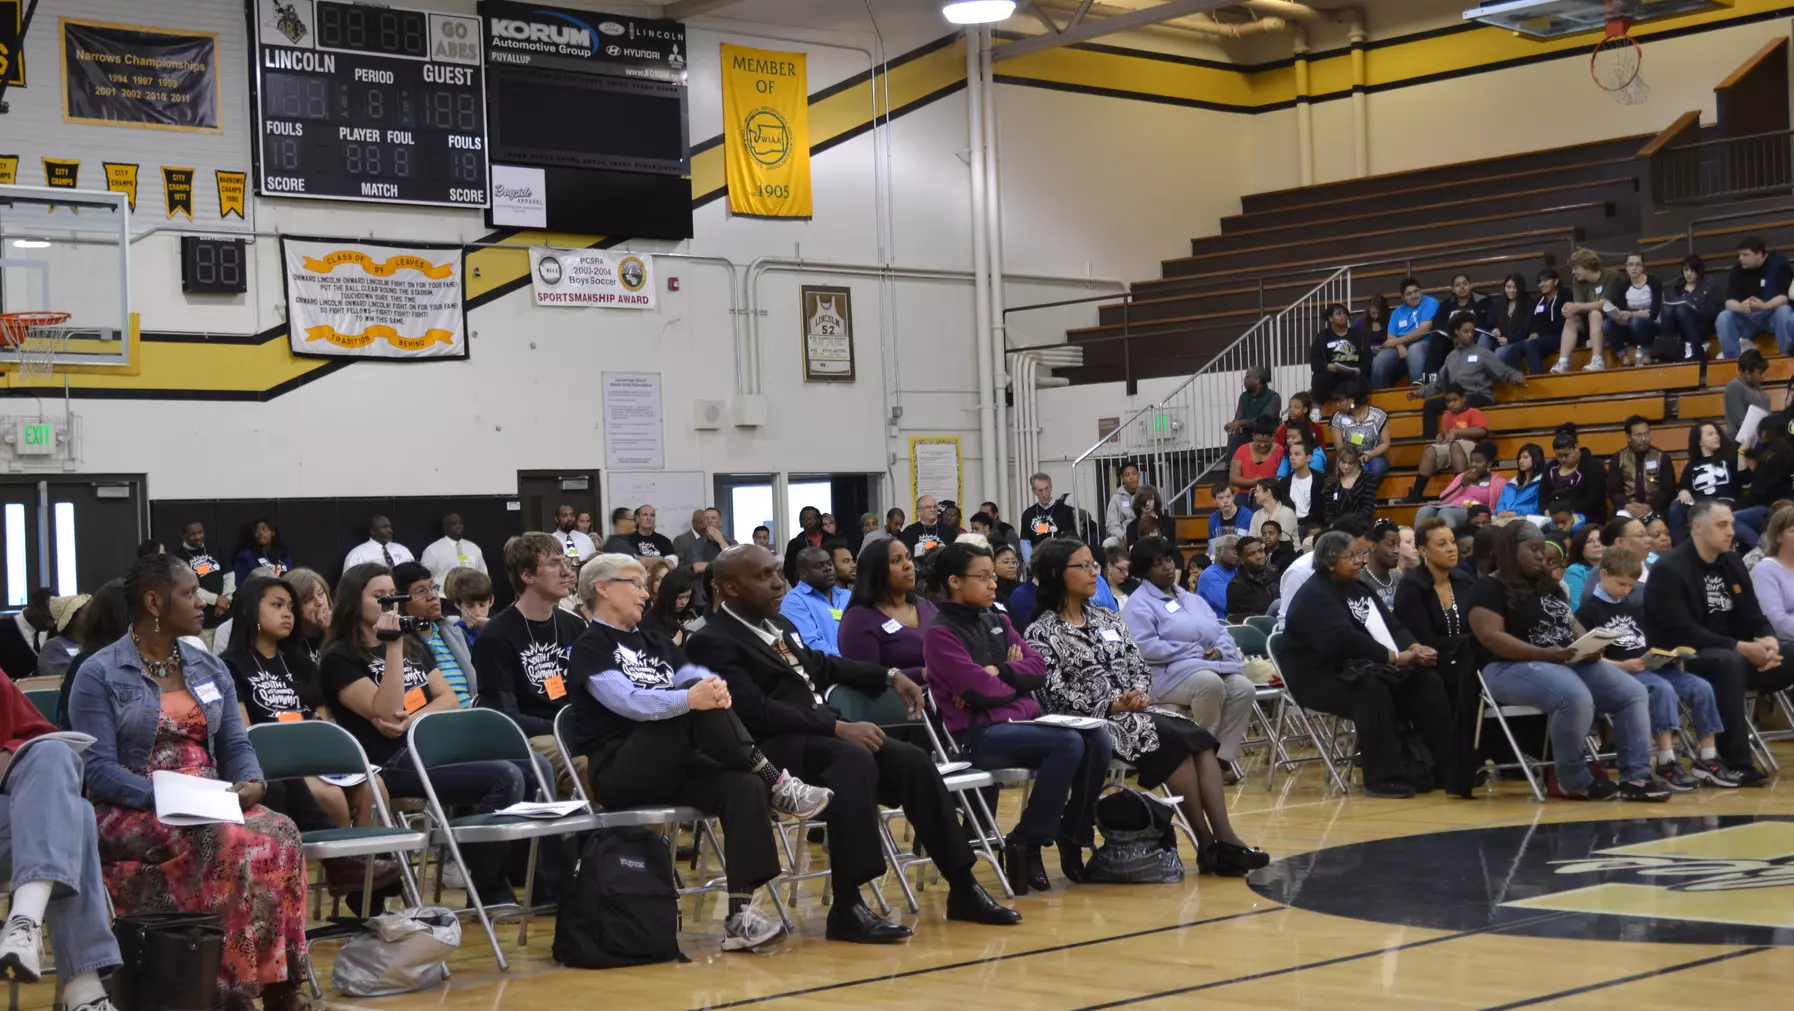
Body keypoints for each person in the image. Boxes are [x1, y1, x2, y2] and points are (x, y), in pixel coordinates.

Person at [687, 545, 1020, 941]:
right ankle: (847, 905)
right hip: (768, 752)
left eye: (777, 572)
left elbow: (823, 666)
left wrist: (889, 674)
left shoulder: (779, 625)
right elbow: (754, 710)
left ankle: (962, 885)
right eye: (763, 576)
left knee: (913, 761)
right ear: (731, 587)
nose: (778, 583)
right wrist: (835, 727)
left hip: (816, 738)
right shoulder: (711, 641)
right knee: (853, 760)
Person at [70, 554, 311, 1007]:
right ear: (154, 602)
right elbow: (97, 769)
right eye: (189, 594)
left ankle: (282, 986)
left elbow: (236, 746)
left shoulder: (209, 667)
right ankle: (226, 991)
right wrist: (169, 796)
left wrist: (251, 782)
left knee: (283, 830)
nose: (202, 603)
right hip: (133, 804)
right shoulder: (99, 674)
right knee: (221, 839)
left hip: (209, 797)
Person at [565, 554, 832, 952]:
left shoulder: (652, 637)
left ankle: (740, 916)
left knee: (742, 786)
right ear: (603, 589)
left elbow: (691, 676)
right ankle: (777, 781)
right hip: (620, 770)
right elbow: (631, 702)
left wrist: (713, 687)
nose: (644, 593)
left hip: (673, 762)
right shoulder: (590, 646)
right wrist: (693, 697)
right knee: (690, 708)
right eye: (635, 584)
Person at [1025, 539, 1268, 875]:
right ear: (1056, 574)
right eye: (1083, 566)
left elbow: (1137, 662)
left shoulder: (1106, 618)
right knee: (1169, 741)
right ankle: (1208, 844)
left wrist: (1138, 693)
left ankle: (1223, 838)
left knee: (1197, 737)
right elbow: (1054, 693)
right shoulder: (1042, 632)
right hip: (1092, 719)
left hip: (1136, 709)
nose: (1093, 571)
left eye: (1093, 565)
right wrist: (1113, 703)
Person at [320, 563, 538, 906]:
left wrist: (414, 720)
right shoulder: (340, 658)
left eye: (392, 595)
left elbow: (449, 697)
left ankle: (524, 877)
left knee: (530, 764)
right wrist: (391, 648)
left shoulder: (414, 644)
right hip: (388, 761)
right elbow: (387, 712)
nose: (389, 603)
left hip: (430, 745)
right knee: (504, 777)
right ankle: (485, 888)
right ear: (352, 601)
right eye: (379, 597)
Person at [924, 542, 1111, 894]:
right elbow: (978, 689)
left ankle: (1073, 833)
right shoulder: (940, 633)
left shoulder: (998, 620)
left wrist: (1001, 671)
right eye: (983, 577)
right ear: (955, 581)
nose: (993, 583)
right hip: (978, 735)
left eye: (993, 575)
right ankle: (1027, 840)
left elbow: (1037, 669)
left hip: (1019, 724)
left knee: (1098, 737)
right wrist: (1012, 684)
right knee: (1067, 744)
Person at [1468, 522, 1663, 801]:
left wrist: (1589, 644)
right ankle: (1573, 780)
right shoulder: (1488, 587)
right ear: (1511, 551)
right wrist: (1544, 653)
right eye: (1533, 550)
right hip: (1507, 667)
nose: (1540, 556)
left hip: (1563, 660)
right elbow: (1491, 636)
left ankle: (1637, 777)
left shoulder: (1550, 586)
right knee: (1574, 696)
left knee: (1632, 693)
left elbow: (1571, 623)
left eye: (1542, 550)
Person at [218, 576, 391, 881]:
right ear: (248, 610)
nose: (288, 613)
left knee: (374, 788)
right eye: (277, 605)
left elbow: (323, 721)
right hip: (274, 765)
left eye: (290, 608)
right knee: (333, 798)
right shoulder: (230, 665)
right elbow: (244, 733)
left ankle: (369, 891)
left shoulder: (300, 662)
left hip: (315, 759)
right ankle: (348, 872)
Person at [1280, 531, 1458, 798]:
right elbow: (1343, 641)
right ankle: (1382, 778)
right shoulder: (1315, 596)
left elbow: (1391, 624)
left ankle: (1444, 768)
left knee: (1425, 680)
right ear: (1329, 562)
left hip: (1359, 665)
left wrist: (1413, 647)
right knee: (1372, 690)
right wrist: (1394, 658)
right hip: (1317, 676)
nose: (1359, 561)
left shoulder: (1358, 587)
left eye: (1359, 554)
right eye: (1350, 556)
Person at [1645, 500, 1794, 786]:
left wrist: (1769, 642)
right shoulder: (1670, 568)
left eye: (1732, 525)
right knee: (1728, 662)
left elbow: (1754, 614)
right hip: (1682, 657)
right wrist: (1742, 648)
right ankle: (1734, 761)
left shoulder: (1732, 561)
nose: (1730, 532)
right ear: (1698, 527)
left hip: (1736, 654)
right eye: (1722, 525)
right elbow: (1682, 631)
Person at [0, 668, 123, 1011]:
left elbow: (36, 735)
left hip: (18, 834)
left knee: (54, 760)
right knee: (76, 816)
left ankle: (23, 923)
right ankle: (84, 991)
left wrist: (12, 757)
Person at [1576, 546, 1724, 792]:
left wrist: (1669, 656)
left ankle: (1708, 756)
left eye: (1630, 586)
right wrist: (1622, 666)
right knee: (1661, 689)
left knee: (1701, 686)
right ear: (1603, 575)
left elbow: (1650, 642)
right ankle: (1666, 761)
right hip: (1622, 673)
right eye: (1621, 584)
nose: (1626, 590)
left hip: (1649, 666)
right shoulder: (1588, 613)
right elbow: (1588, 658)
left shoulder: (1635, 606)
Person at [472, 533, 591, 798]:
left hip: (575, 731)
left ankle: (637, 838)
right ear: (527, 576)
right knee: (589, 765)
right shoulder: (496, 636)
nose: (566, 572)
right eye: (553, 564)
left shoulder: (573, 624)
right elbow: (504, 717)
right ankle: (604, 838)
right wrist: (568, 729)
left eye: (566, 562)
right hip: (532, 738)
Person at [1122, 537, 1256, 768]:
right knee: (1210, 684)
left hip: (1209, 665)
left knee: (1244, 688)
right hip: (1162, 674)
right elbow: (1143, 646)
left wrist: (1221, 651)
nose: (1166, 567)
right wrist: (1194, 651)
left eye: (1167, 560)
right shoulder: (1138, 604)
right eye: (1157, 564)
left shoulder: (1192, 599)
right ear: (1144, 571)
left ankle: (1221, 759)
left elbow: (1219, 631)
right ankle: (1198, 753)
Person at [1392, 518, 1482, 797]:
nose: (1451, 549)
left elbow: (1474, 625)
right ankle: (1447, 767)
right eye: (1441, 544)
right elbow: (1424, 640)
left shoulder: (1464, 580)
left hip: (1462, 657)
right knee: (1437, 683)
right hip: (1425, 662)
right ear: (1423, 551)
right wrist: (1469, 642)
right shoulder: (1412, 586)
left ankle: (1486, 759)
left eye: (1452, 542)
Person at [838, 538, 938, 688]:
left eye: (908, 558)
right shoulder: (859, 620)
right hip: (899, 706)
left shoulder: (925, 606)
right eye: (896, 561)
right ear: (876, 571)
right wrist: (923, 673)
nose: (908, 565)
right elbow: (865, 680)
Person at [1413, 312, 1523, 441]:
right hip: (1457, 399)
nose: (1471, 334)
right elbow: (1439, 383)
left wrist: (1515, 376)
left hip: (1480, 396)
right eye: (1466, 331)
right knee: (1430, 405)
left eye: (1472, 331)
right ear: (1457, 332)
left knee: (1463, 401)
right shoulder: (1451, 357)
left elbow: (1502, 371)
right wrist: (1420, 393)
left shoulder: (1482, 352)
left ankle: (1462, 434)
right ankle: (1430, 443)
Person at [393, 561, 475, 707]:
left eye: (433, 587)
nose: (432, 596)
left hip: (471, 715)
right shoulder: (397, 644)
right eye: (421, 591)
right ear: (399, 604)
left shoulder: (454, 633)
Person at [1405, 382, 1494, 503]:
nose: (1451, 404)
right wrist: (1440, 435)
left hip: (1472, 449)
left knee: (1455, 445)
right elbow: (1445, 433)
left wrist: (1458, 433)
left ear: (1464, 398)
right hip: (1451, 448)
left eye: (1455, 400)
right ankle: (1416, 494)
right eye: (1448, 402)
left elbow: (1483, 431)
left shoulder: (1473, 412)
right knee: (1431, 449)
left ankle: (1461, 489)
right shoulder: (1447, 416)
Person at [1715, 235, 1794, 359]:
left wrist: (1765, 306)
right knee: (1724, 316)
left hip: (1771, 316)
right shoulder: (1737, 270)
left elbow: (1784, 298)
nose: (1741, 258)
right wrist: (1740, 306)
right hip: (1747, 318)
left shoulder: (1779, 264)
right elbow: (1729, 302)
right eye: (1739, 255)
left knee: (1784, 311)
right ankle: (1731, 360)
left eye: (1745, 255)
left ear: (1759, 254)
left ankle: (1788, 357)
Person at [1557, 248, 1623, 373]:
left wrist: (1577, 306)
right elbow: (1579, 305)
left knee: (1595, 313)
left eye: (1575, 268)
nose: (1573, 272)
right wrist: (1570, 307)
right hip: (1588, 323)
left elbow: (1605, 304)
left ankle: (1598, 360)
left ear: (1586, 266)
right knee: (1571, 318)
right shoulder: (1578, 281)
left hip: (1610, 321)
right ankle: (1563, 362)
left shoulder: (1611, 276)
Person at [780, 546, 852, 657]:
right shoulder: (794, 601)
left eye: (829, 563)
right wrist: (852, 659)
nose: (828, 568)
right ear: (803, 573)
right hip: (825, 670)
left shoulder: (847, 595)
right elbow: (811, 645)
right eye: (820, 565)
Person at [1416, 443, 1505, 532]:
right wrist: (1462, 484)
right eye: (1471, 461)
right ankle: (1418, 543)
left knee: (1446, 513)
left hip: (1473, 511)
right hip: (1451, 507)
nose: (1473, 464)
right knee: (1424, 510)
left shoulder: (1499, 483)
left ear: (1489, 464)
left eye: (1478, 462)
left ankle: (1448, 543)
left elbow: (1499, 508)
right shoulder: (1462, 477)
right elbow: (1443, 499)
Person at [1497, 268, 1570, 375]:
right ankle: (1517, 381)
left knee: (1531, 345)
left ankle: (1537, 378)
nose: (1542, 284)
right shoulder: (1539, 300)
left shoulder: (1564, 296)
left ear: (1556, 281)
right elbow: (1534, 321)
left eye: (1545, 280)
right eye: (1540, 281)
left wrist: (1539, 333)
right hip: (1539, 337)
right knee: (1513, 350)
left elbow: (1561, 322)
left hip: (1559, 336)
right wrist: (1533, 332)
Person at [171, 521, 232, 649]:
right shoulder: (177, 557)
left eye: (200, 532)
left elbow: (229, 575)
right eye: (193, 534)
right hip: (202, 623)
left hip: (224, 617)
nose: (198, 537)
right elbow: (189, 588)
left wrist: (226, 599)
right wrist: (216, 600)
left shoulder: (215, 549)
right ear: (184, 535)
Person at [1371, 277, 1440, 388]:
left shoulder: (1430, 303)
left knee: (1414, 350)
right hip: (1400, 348)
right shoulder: (1397, 312)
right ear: (1402, 297)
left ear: (1420, 291)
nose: (1414, 296)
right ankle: (1380, 398)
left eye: (1416, 291)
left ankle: (1416, 392)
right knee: (1380, 359)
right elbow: (1390, 336)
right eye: (1409, 294)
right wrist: (1399, 346)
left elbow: (1422, 331)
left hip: (1425, 343)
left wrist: (1395, 343)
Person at [1608, 416, 1675, 522]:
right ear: (1629, 437)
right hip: (1628, 509)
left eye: (1646, 434)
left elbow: (1668, 490)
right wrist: (1628, 506)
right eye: (1638, 435)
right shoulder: (1618, 458)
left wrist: (1649, 507)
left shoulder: (1662, 457)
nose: (1643, 439)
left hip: (1655, 508)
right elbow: (1614, 491)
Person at [1329, 381, 1391, 490]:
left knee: (1377, 466)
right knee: (1343, 467)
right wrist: (1353, 459)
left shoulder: (1379, 415)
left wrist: (1370, 455)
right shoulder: (1337, 418)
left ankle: (1362, 495)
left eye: (1340, 401)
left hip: (1373, 456)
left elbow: (1385, 443)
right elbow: (1339, 447)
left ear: (1351, 400)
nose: (1337, 405)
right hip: (1347, 457)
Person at [1661, 253, 1724, 362]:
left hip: (1703, 324)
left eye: (1692, 270)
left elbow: (1713, 311)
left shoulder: (1710, 286)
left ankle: (1698, 352)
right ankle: (1669, 353)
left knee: (1681, 310)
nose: (1688, 274)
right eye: (1685, 270)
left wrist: (1693, 307)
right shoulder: (1678, 287)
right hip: (1681, 326)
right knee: (1667, 310)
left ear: (1699, 270)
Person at [1543, 424, 1608, 526]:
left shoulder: (1594, 468)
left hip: (1587, 520)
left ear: (1576, 448)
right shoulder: (1550, 468)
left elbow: (1592, 499)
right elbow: (1543, 495)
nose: (1563, 459)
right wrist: (1546, 510)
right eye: (1559, 456)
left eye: (1566, 455)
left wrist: (1568, 514)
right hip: (1554, 519)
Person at [1579, 516, 1653, 605]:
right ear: (1620, 542)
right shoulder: (1601, 573)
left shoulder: (1656, 569)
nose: (1649, 540)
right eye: (1640, 536)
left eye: (1647, 535)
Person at [1605, 252, 1662, 367]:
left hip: (1652, 326)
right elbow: (1622, 310)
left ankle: (1646, 353)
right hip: (1631, 326)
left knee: (1636, 321)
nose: (1634, 268)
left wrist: (1631, 314)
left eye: (1638, 264)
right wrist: (1618, 316)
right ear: (1626, 267)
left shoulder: (1654, 283)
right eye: (1630, 265)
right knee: (1606, 324)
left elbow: (1653, 314)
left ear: (1643, 267)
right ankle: (1623, 356)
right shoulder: (1623, 287)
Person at [1310, 302, 1367, 404]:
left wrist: (1360, 369)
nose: (1343, 315)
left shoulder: (1358, 335)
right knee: (1320, 379)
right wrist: (1328, 366)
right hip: (1332, 375)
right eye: (1339, 313)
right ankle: (1318, 409)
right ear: (1331, 318)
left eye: (1345, 313)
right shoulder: (1322, 337)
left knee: (1360, 384)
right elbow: (1315, 362)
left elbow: (1368, 358)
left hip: (1353, 375)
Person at [1222, 366, 1281, 457]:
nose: (1244, 380)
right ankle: (1230, 467)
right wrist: (1233, 425)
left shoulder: (1273, 397)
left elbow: (1264, 420)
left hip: (1267, 435)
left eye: (1247, 377)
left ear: (1257, 380)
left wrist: (1241, 423)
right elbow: (1239, 418)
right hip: (1247, 435)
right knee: (1234, 433)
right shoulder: (1244, 397)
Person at [421, 513, 487, 591]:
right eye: (454, 523)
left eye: (460, 523)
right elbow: (424, 578)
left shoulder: (474, 548)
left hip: (470, 597)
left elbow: (483, 575)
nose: (458, 526)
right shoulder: (432, 550)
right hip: (444, 598)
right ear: (445, 528)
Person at [1319, 444, 1378, 527]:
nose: (1346, 467)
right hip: (1338, 527)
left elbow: (1367, 508)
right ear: (1338, 461)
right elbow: (1329, 510)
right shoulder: (1332, 482)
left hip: (1361, 526)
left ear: (1355, 463)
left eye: (1350, 463)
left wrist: (1353, 525)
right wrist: (1333, 525)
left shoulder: (1367, 478)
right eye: (1343, 462)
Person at [32, 594, 88, 682]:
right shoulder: (53, 648)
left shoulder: (98, 642)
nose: (95, 616)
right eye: (89, 612)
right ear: (73, 619)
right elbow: (66, 683)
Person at [644, 568, 703, 648]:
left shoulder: (690, 614)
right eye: (680, 598)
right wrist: (675, 641)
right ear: (668, 595)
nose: (684, 602)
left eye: (687, 597)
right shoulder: (650, 621)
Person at [0, 589, 50, 680]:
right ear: (32, 606)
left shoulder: (55, 632)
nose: (50, 623)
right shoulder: (3, 630)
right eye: (45, 616)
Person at [1229, 416, 1284, 499]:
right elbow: (1233, 479)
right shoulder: (1242, 450)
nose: (1262, 445)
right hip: (1245, 496)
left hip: (1270, 496)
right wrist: (1254, 482)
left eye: (1266, 441)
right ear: (1253, 436)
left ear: (1272, 437)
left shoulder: (1280, 451)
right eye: (1258, 441)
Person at [1019, 473, 1079, 547]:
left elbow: (1071, 539)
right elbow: (1025, 542)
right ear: (1034, 491)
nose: (1044, 494)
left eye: (1046, 488)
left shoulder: (1065, 510)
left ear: (1051, 487)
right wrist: (1030, 558)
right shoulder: (1028, 514)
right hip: (1037, 556)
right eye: (1040, 490)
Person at [1725, 348, 1772, 439]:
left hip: (1760, 439)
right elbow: (1739, 421)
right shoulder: (1734, 387)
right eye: (1760, 373)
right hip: (1739, 441)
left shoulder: (1763, 394)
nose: (1763, 377)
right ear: (1748, 372)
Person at [1356, 519, 1403, 611]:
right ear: (1373, 546)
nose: (1397, 551)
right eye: (1390, 544)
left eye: (1398, 545)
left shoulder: (1399, 578)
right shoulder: (1360, 581)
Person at [1495, 443, 1548, 523]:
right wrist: (1500, 512)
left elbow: (1539, 508)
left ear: (1536, 459)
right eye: (1519, 458)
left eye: (1525, 457)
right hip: (1505, 519)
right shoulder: (1511, 483)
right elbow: (1501, 503)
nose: (1521, 461)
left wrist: (1516, 513)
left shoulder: (1542, 483)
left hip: (1528, 520)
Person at [1279, 440, 1321, 534]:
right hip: (1289, 527)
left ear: (1308, 458)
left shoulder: (1320, 480)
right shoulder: (1284, 482)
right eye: (1290, 454)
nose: (1292, 458)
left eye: (1297, 454)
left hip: (1313, 527)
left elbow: (1321, 512)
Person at [231, 519, 293, 585]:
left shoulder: (283, 556)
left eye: (264, 529)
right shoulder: (246, 556)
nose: (260, 533)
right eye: (257, 530)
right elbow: (241, 583)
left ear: (273, 532)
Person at [1225, 536, 1274, 618]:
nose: (1259, 556)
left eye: (1260, 551)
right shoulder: (1236, 586)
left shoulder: (1273, 576)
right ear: (1241, 560)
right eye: (1252, 554)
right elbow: (1252, 619)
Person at [344, 514, 414, 571]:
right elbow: (349, 582)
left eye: (390, 527)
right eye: (384, 527)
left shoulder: (403, 550)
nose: (389, 530)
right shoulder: (358, 554)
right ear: (373, 531)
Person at [446, 567, 494, 650]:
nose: (478, 612)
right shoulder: (455, 633)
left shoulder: (497, 625)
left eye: (482, 605)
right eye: (470, 606)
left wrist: (490, 626)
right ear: (458, 604)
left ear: (491, 601)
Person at [1487, 272, 1532, 357]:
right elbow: (1491, 322)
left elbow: (1525, 330)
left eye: (1515, 287)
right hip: (1499, 340)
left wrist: (1509, 340)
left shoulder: (1528, 305)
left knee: (1500, 352)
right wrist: (1495, 329)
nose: (1511, 290)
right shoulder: (1499, 304)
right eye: (1508, 287)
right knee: (1484, 338)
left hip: (1517, 342)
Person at [900, 496, 958, 562]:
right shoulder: (910, 531)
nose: (933, 510)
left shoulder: (948, 530)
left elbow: (953, 554)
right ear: (919, 512)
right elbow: (907, 556)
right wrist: (935, 545)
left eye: (935, 507)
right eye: (928, 507)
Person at [1195, 535, 1238, 620]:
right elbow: (1233, 605)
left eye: (1239, 549)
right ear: (1218, 550)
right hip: (1218, 627)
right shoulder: (1209, 575)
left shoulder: (1238, 570)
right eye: (1233, 548)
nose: (1237, 552)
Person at [784, 506, 829, 584]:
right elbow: (788, 570)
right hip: (805, 586)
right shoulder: (794, 544)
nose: (808, 522)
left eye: (810, 519)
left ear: (818, 520)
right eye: (804, 519)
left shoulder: (831, 540)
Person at [1105, 461, 1143, 546]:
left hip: (1144, 534)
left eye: (1134, 474)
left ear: (1139, 475)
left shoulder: (1145, 494)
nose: (1132, 477)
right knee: (1108, 543)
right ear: (1122, 478)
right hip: (1124, 536)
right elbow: (1112, 524)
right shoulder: (1116, 499)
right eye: (1127, 475)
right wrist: (1122, 536)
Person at [1563, 525, 1604, 603]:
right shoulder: (1575, 571)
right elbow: (1576, 606)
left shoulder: (1615, 566)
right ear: (1580, 548)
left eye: (1600, 540)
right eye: (1589, 541)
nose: (1597, 545)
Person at [993, 542, 1022, 608]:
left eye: (1014, 562)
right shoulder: (990, 589)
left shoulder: (1020, 589)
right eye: (1006, 562)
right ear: (993, 564)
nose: (1012, 566)